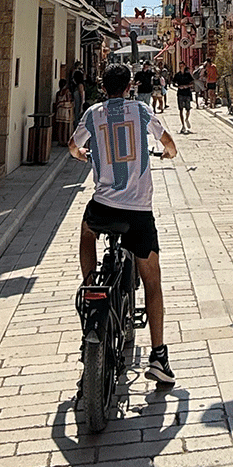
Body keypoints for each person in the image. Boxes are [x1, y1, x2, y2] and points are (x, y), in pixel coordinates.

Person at [69, 63, 178, 386]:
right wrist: (169, 153)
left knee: (87, 231)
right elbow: (168, 142)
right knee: (152, 281)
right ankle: (158, 356)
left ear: (103, 87)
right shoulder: (141, 111)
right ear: (130, 86)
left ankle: (91, 284)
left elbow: (73, 147)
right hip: (138, 212)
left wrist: (84, 154)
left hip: (103, 207)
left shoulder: (93, 114)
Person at [52, 78, 74, 145]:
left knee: (60, 126)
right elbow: (69, 100)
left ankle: (60, 140)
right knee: (65, 126)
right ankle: (64, 140)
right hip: (66, 110)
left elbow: (56, 102)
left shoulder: (58, 93)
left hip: (59, 110)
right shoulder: (67, 92)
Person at [173, 65, 194, 133]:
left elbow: (192, 83)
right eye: (181, 66)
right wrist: (179, 87)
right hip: (180, 93)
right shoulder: (177, 75)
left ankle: (187, 119)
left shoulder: (188, 74)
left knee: (188, 109)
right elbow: (173, 83)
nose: (182, 67)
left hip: (187, 93)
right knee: (181, 109)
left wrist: (187, 86)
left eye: (183, 66)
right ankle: (183, 125)